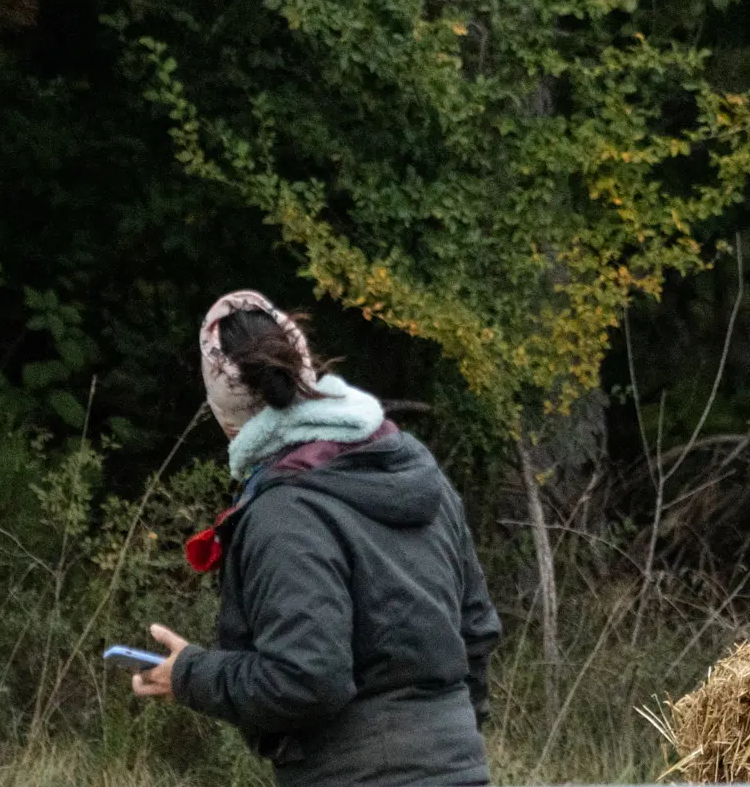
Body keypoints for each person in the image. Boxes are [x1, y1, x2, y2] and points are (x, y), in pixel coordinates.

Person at [128, 290, 502, 787]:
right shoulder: (412, 468)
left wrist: (191, 675)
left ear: (225, 419)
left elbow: (307, 679)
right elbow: (476, 632)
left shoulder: (283, 515)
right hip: (461, 770)